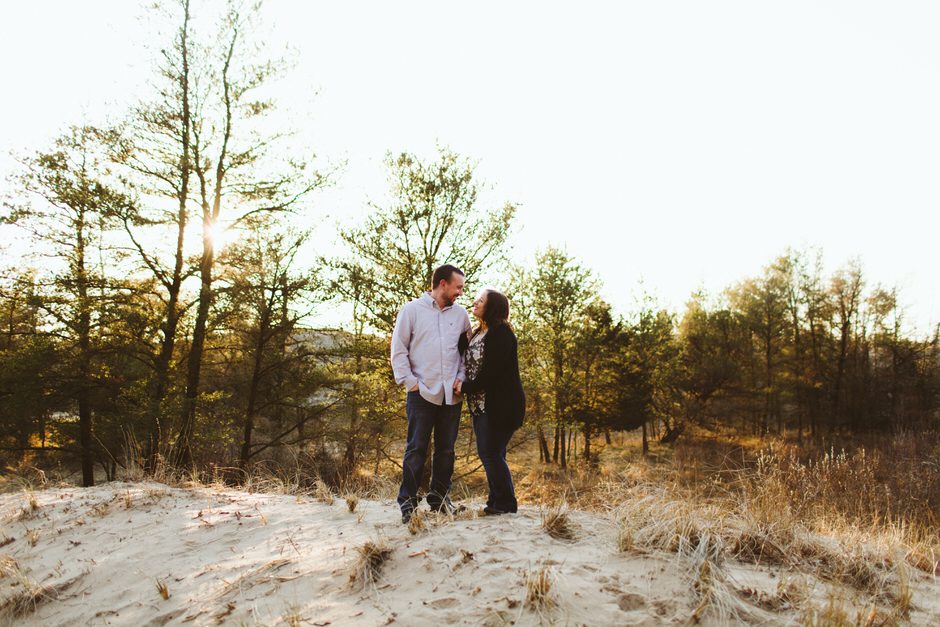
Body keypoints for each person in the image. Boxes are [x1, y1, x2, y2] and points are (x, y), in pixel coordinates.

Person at [391, 264, 472, 523]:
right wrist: (410, 383)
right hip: (421, 393)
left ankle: (438, 498)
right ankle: (408, 502)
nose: (461, 292)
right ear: (442, 284)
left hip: (452, 395)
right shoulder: (412, 310)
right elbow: (399, 349)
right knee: (416, 448)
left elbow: (465, 353)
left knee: (446, 451)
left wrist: (461, 378)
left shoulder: (461, 316)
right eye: (458, 286)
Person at [454, 288, 525, 515]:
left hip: (501, 406)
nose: (475, 302)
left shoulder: (501, 333)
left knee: (490, 453)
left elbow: (491, 373)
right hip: (480, 405)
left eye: (481, 300)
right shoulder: (479, 333)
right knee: (494, 453)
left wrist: (465, 387)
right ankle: (496, 502)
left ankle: (506, 503)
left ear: (491, 307)